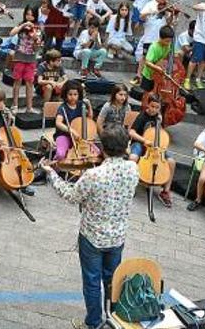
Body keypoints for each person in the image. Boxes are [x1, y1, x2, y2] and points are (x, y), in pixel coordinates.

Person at [41, 125, 139, 329]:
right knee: (113, 279)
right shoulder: (133, 169)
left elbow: (70, 195)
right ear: (125, 146)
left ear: (103, 148)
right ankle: (115, 320)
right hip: (118, 236)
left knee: (92, 282)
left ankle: (94, 323)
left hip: (92, 237)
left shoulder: (94, 175)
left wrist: (51, 173)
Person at [128, 94, 177, 207]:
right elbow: (131, 132)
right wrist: (144, 140)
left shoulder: (159, 119)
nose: (153, 109)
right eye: (152, 106)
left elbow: (162, 135)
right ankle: (130, 185)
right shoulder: (142, 116)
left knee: (171, 162)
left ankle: (165, 191)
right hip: (140, 143)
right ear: (148, 105)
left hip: (156, 147)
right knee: (133, 158)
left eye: (157, 107)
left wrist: (160, 124)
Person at [9, 6, 42, 114]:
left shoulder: (37, 29)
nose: (29, 17)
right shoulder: (21, 25)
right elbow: (11, 33)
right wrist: (23, 25)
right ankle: (14, 105)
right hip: (19, 57)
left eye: (32, 15)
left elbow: (37, 48)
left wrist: (36, 40)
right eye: (28, 14)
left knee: (29, 83)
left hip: (31, 59)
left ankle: (29, 107)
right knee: (17, 81)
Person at [53, 79, 97, 161]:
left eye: (75, 94)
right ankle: (53, 167)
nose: (73, 97)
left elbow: (89, 119)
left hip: (79, 137)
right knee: (60, 154)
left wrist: (89, 106)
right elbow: (58, 123)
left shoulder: (81, 105)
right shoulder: (63, 107)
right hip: (64, 135)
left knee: (96, 153)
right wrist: (71, 130)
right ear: (65, 94)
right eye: (70, 94)